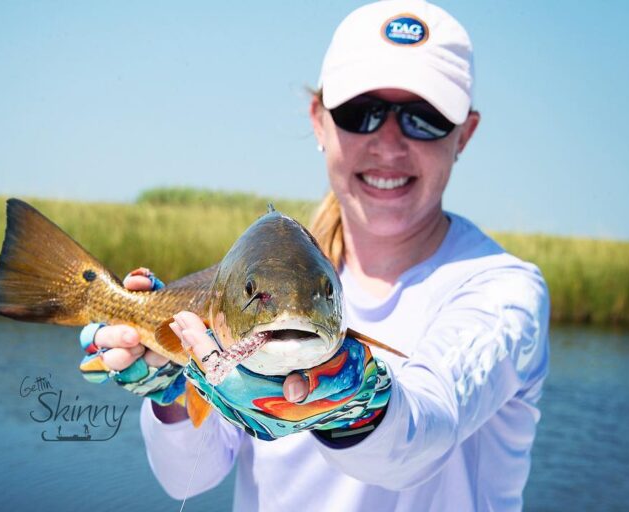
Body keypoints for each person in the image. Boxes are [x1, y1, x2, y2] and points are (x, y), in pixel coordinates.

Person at [77, 1, 550, 510]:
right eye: (359, 113)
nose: (388, 144)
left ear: (465, 134)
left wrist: (351, 405)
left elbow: (423, 431)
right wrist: (171, 392)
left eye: (424, 118)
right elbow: (187, 482)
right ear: (319, 121)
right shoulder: (253, 286)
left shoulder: (504, 293)